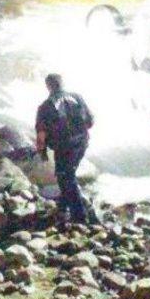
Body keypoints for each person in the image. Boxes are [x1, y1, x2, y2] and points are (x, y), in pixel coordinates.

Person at [35, 73, 94, 226]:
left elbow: (41, 137)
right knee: (69, 175)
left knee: (65, 177)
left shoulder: (45, 107)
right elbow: (91, 121)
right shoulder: (77, 97)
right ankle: (62, 207)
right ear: (62, 83)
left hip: (64, 147)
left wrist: (42, 154)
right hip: (82, 143)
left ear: (48, 86)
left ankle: (79, 217)